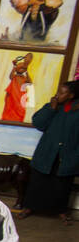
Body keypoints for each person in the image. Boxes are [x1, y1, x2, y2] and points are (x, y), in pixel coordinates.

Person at [20, 80, 79, 225]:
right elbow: (38, 123)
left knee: (62, 185)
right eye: (58, 91)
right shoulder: (53, 106)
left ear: (71, 95)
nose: (57, 95)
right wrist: (51, 109)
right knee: (37, 181)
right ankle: (29, 207)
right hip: (47, 152)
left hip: (67, 155)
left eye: (62, 93)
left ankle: (61, 211)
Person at [2, 53, 32, 123]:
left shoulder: (24, 78)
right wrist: (14, 66)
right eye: (27, 57)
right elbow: (11, 76)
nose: (22, 70)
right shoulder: (15, 76)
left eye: (24, 69)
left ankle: (18, 121)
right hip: (12, 94)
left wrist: (27, 72)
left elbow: (29, 82)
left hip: (20, 95)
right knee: (10, 107)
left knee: (20, 109)